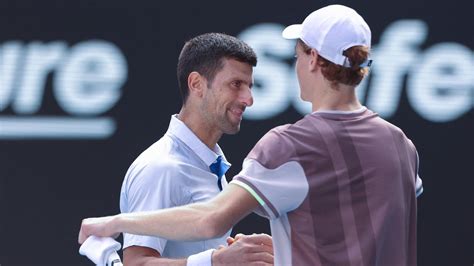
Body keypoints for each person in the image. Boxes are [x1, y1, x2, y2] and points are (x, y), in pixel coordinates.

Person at [79, 5, 424, 266]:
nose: (248, 98)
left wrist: (114, 222)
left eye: (297, 55)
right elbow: (358, 228)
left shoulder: (291, 146)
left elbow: (209, 218)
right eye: (236, 84)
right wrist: (294, 249)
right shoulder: (401, 145)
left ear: (314, 60)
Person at [104, 33, 273, 266]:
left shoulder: (210, 165)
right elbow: (136, 264)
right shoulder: (161, 167)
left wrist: (229, 252)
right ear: (196, 84)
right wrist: (217, 260)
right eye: (236, 84)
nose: (248, 99)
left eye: (249, 86)